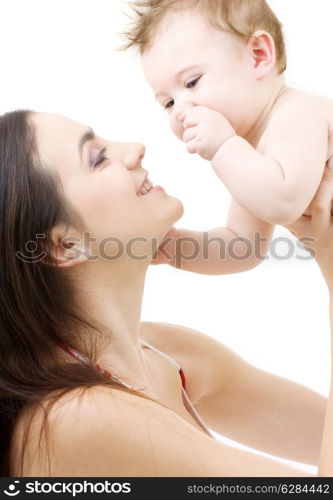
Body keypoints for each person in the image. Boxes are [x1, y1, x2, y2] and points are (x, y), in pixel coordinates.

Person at [0, 109, 331, 477]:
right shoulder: (78, 420)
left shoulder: (168, 355)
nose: (135, 149)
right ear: (64, 246)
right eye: (98, 158)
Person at [122, 0, 333, 275]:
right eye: (169, 103)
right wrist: (174, 246)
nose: (180, 111)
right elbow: (243, 246)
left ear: (258, 56)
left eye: (192, 82)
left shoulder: (298, 113)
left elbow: (284, 203)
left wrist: (223, 147)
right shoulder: (250, 156)